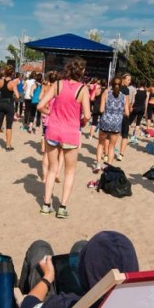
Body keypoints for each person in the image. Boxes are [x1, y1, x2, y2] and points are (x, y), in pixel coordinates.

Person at [17, 231, 139, 308]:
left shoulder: (63, 304)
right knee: (81, 245)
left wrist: (47, 277)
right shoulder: (137, 299)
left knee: (40, 247)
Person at [37, 57, 91, 219]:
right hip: (70, 133)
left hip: (53, 130)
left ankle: (46, 204)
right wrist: (80, 122)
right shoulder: (83, 90)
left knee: (53, 169)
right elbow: (87, 115)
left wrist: (52, 115)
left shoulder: (58, 84)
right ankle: (62, 207)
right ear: (81, 72)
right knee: (69, 172)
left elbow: (40, 106)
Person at [95, 75, 128, 171]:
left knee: (101, 143)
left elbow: (101, 109)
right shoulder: (124, 96)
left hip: (106, 120)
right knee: (112, 146)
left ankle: (98, 164)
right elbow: (127, 113)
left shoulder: (106, 93)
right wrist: (118, 111)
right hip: (117, 122)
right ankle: (108, 167)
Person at [0, 65, 20, 150]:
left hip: (1, 103)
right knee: (9, 126)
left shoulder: (0, 81)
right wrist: (13, 96)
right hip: (9, 104)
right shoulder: (12, 83)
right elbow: (17, 96)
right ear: (12, 73)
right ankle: (8, 145)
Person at [129, 79, 149, 143]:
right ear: (145, 84)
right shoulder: (147, 93)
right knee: (138, 123)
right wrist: (145, 111)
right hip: (142, 108)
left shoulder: (136, 91)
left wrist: (131, 106)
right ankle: (134, 136)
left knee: (129, 121)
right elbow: (146, 103)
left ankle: (126, 133)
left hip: (135, 107)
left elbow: (133, 101)